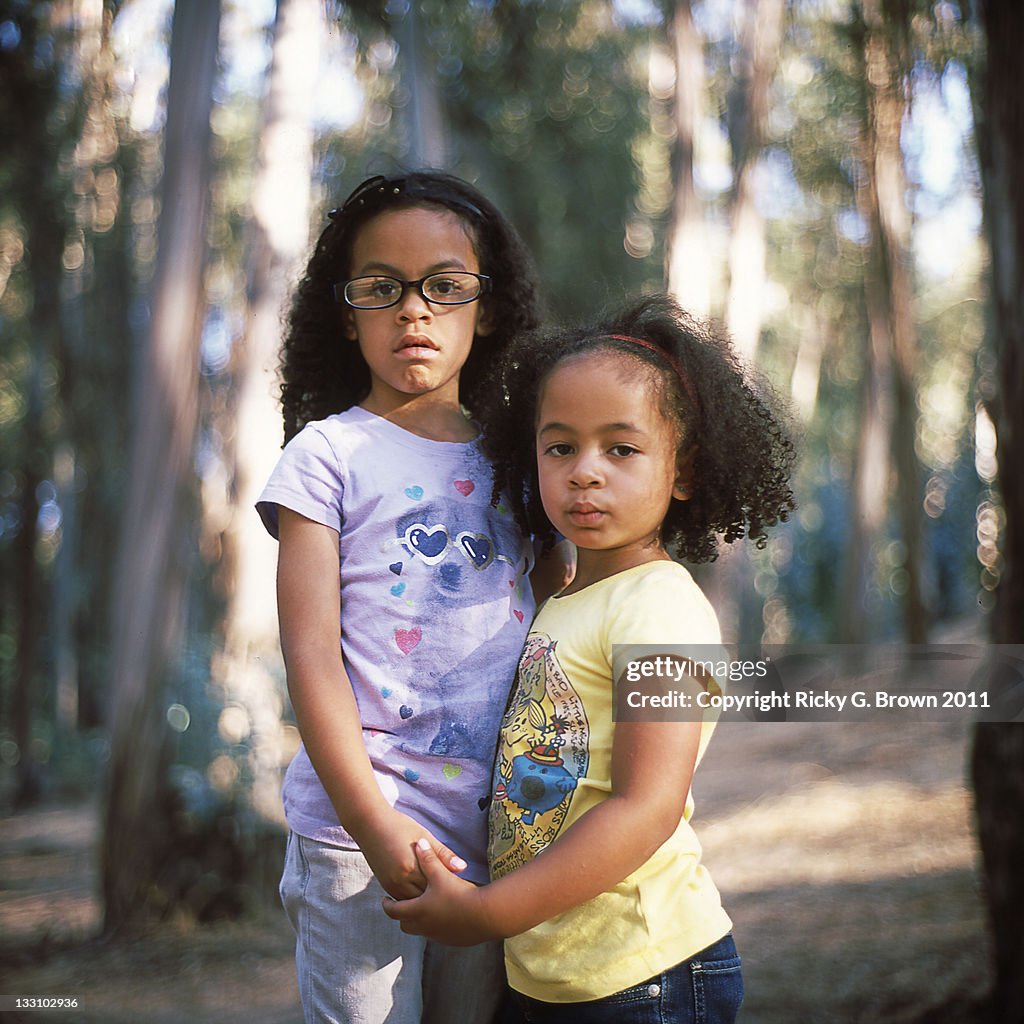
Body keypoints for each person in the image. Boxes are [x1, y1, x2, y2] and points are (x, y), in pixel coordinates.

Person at [383, 294, 797, 1023]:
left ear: (684, 472)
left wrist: (487, 914)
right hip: (554, 976)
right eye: (560, 446)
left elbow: (647, 807)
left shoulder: (660, 610)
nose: (585, 472)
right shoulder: (561, 602)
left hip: (647, 974)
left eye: (622, 448)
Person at [257, 171, 564, 1024]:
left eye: (444, 286)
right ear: (346, 311)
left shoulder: (523, 460)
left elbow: (550, 615)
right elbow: (310, 655)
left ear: (488, 307)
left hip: (493, 836)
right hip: (356, 839)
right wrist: (371, 825)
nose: (414, 310)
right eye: (382, 288)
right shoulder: (326, 458)